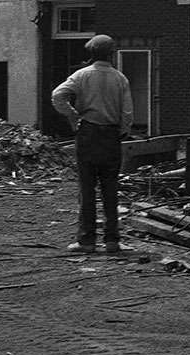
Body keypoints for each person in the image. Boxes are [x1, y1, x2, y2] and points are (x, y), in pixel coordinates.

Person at [52, 34, 133, 255]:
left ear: (91, 53)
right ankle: (112, 241)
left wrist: (73, 115)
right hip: (110, 136)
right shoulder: (120, 78)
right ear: (111, 53)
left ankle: (87, 240)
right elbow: (127, 113)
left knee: (86, 189)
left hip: (87, 134)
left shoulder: (81, 75)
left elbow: (58, 95)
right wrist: (122, 131)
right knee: (110, 189)